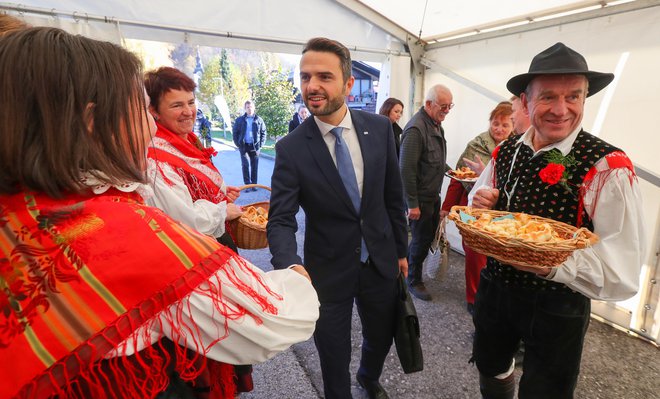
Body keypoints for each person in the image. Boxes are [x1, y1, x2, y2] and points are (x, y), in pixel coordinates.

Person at [0, 27, 319, 399]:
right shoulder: (124, 231)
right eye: (140, 110)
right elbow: (275, 319)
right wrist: (296, 274)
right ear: (92, 122)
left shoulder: (20, 210)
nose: (151, 126)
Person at [469, 42, 645, 399]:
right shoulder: (507, 150)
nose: (561, 110)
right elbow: (479, 209)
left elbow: (623, 270)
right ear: (525, 101)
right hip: (497, 287)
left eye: (574, 97)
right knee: (491, 365)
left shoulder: (607, 167)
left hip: (558, 303)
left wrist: (550, 264)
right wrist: (481, 203)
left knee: (546, 390)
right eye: (548, 97)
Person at [267, 37, 408, 399]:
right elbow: (281, 219)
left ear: (347, 84)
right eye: (305, 77)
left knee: (382, 334)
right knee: (332, 351)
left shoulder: (379, 129)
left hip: (380, 259)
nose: (311, 86)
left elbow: (394, 196)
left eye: (324, 77)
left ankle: (368, 377)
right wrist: (289, 263)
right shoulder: (292, 148)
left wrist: (402, 250)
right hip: (326, 270)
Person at [144, 66, 243, 253]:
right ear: (154, 111)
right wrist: (222, 212)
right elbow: (181, 218)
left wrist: (218, 193)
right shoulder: (156, 159)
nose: (189, 112)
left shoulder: (187, 139)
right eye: (177, 105)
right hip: (198, 250)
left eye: (191, 102)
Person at [440, 101, 513, 315]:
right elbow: (457, 177)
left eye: (505, 125)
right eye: (495, 123)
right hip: (472, 207)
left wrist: (489, 174)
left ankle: (495, 296)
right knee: (474, 254)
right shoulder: (476, 145)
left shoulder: (516, 150)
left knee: (499, 256)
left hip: (501, 213)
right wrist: (446, 208)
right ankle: (474, 297)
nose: (499, 129)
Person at [399, 84, 454, 301]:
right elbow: (406, 169)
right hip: (420, 199)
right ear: (429, 104)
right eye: (444, 106)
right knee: (421, 239)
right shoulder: (416, 129)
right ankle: (413, 280)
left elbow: (435, 159)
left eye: (450, 106)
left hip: (432, 196)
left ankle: (409, 271)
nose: (447, 110)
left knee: (426, 237)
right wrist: (412, 203)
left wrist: (453, 171)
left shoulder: (436, 125)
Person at [232, 100, 266, 190]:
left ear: (254, 108)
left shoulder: (259, 120)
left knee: (254, 166)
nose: (249, 109)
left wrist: (261, 145)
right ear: (245, 109)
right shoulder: (240, 120)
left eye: (251, 107)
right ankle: (247, 185)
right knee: (245, 165)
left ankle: (254, 185)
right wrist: (238, 144)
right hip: (244, 146)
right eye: (247, 107)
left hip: (255, 147)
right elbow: (235, 132)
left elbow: (263, 133)